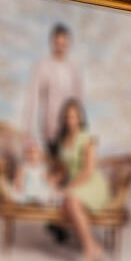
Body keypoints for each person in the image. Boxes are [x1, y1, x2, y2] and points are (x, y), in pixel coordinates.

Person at [48, 96, 111, 261]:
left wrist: (67, 188)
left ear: (80, 118)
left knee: (71, 202)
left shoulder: (87, 138)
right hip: (78, 183)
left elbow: (89, 171)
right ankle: (95, 249)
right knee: (65, 206)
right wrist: (53, 180)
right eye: (67, 116)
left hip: (92, 183)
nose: (71, 120)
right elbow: (64, 169)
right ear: (63, 119)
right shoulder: (63, 140)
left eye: (74, 116)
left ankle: (90, 251)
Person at [26, 22, 86, 166]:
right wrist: (28, 131)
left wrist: (81, 128)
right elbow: (32, 99)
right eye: (57, 43)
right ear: (52, 43)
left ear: (69, 44)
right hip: (50, 129)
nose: (61, 47)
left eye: (64, 43)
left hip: (71, 130)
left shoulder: (73, 69)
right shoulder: (42, 67)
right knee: (53, 169)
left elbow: (79, 100)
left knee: (73, 170)